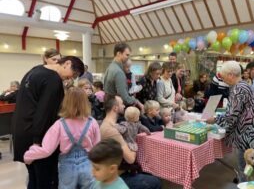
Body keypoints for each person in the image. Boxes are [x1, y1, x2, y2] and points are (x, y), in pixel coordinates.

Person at [12, 56, 84, 189]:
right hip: (38, 138)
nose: (71, 79)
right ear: (67, 63)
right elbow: (44, 113)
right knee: (46, 180)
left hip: (22, 132)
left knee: (33, 178)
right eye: (73, 74)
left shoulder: (34, 71)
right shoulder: (53, 80)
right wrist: (38, 142)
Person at [23, 87, 100, 189]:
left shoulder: (59, 124)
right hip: (88, 165)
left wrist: (29, 155)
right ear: (85, 102)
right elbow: (98, 147)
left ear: (66, 102)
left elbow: (47, 150)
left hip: (67, 167)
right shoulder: (92, 122)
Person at [206, 61, 254, 182]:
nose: (223, 80)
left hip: (247, 134)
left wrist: (215, 119)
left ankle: (246, 184)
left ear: (231, 75)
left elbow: (231, 116)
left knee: (246, 167)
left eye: (223, 77)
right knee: (253, 166)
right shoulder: (245, 85)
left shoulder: (238, 89)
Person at [100, 95, 161, 189]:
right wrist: (132, 138)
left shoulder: (112, 125)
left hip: (121, 170)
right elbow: (131, 159)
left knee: (152, 172)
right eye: (122, 104)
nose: (124, 106)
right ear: (115, 108)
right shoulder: (111, 130)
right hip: (120, 176)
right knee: (156, 182)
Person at [103, 42, 144, 111]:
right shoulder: (118, 71)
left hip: (110, 106)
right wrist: (136, 101)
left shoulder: (110, 67)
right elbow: (124, 98)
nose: (128, 57)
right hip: (116, 108)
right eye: (127, 55)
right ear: (118, 53)